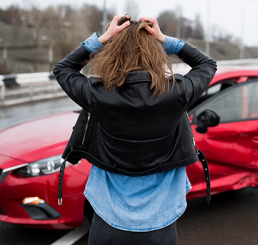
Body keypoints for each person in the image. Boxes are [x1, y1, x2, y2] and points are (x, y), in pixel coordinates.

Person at [53, 14, 217, 245]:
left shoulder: (97, 94)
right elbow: (207, 64)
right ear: (155, 54)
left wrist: (103, 38)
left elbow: (63, 69)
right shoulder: (177, 93)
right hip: (160, 223)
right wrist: (164, 39)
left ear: (113, 52)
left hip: (107, 221)